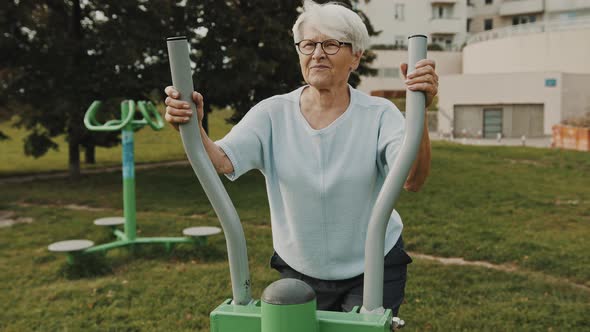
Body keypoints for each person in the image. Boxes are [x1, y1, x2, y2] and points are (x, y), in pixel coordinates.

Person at [164, 0, 437, 316]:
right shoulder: (272, 113)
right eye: (308, 44)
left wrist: (419, 114)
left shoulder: (379, 115)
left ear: (357, 56)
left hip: (373, 265)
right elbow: (222, 160)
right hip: (299, 268)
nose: (317, 53)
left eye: (332, 44)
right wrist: (193, 126)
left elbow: (413, 179)